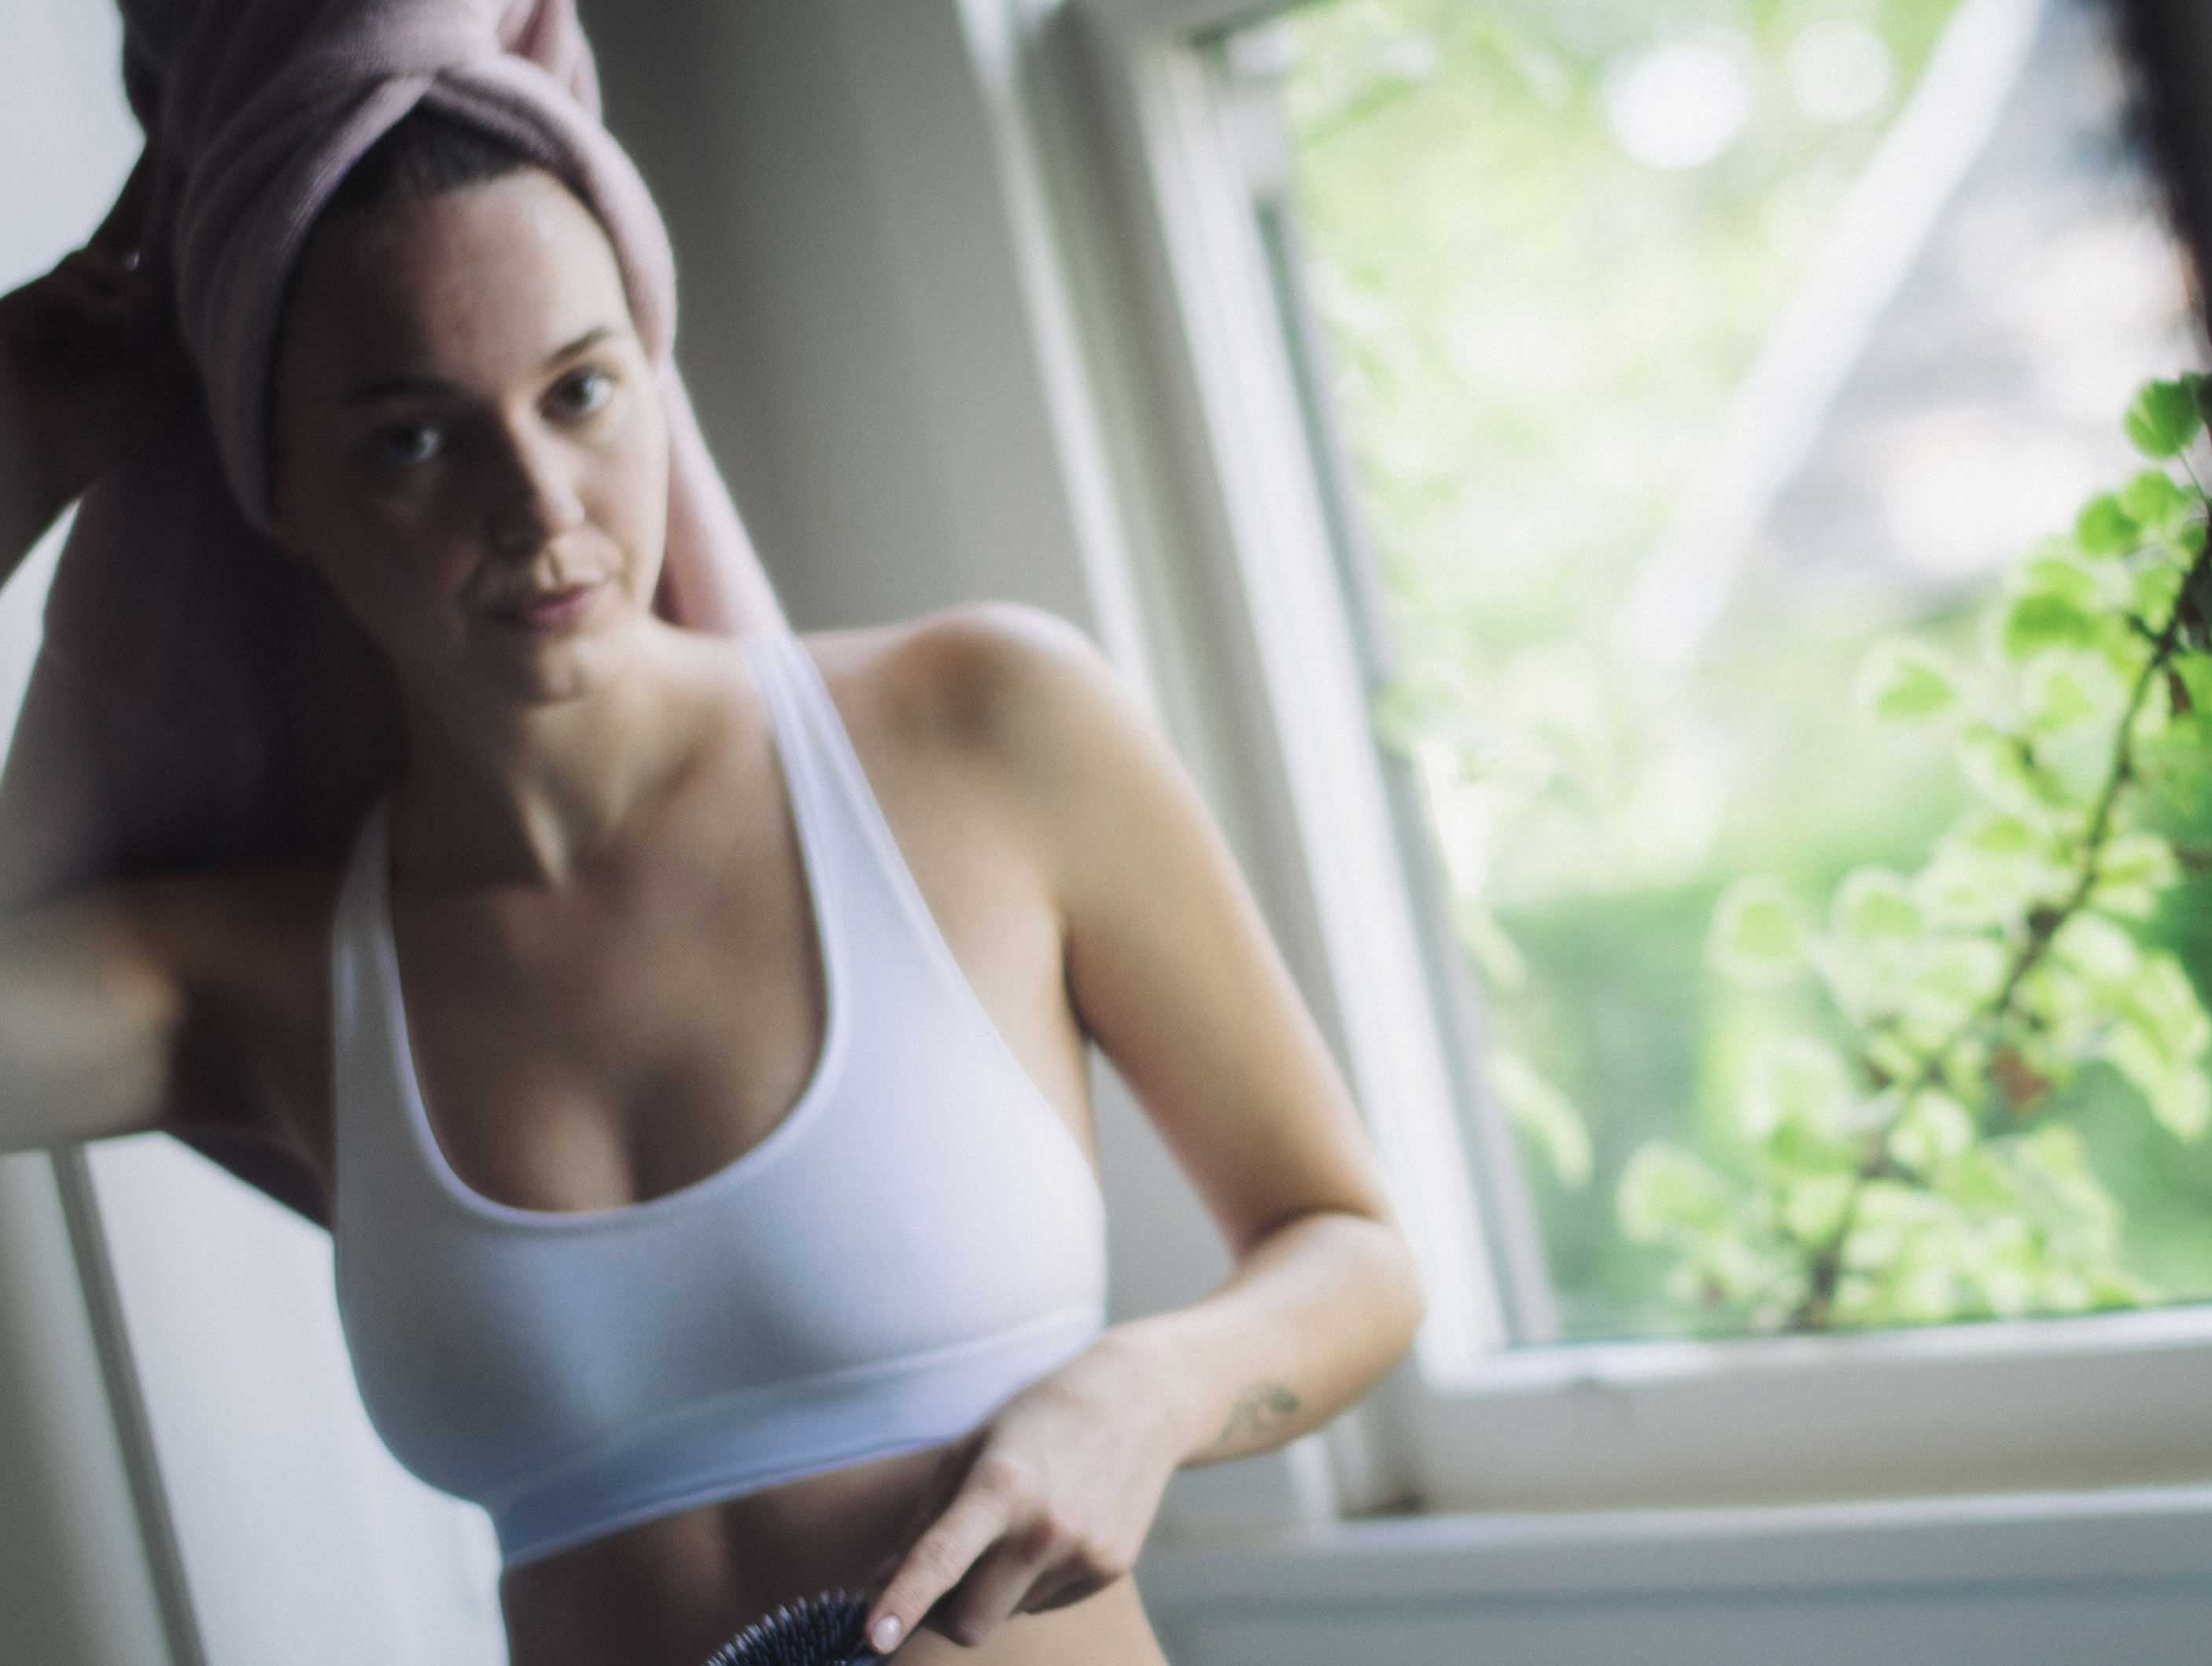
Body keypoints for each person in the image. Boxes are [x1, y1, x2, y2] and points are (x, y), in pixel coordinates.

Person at [0, 96, 1426, 1666]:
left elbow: (1349, 1247)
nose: (539, 504)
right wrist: (16, 458)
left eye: (583, 392)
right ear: (280, 484)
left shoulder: (984, 728)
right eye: (414, 437)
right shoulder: (251, 978)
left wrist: (1144, 1393)